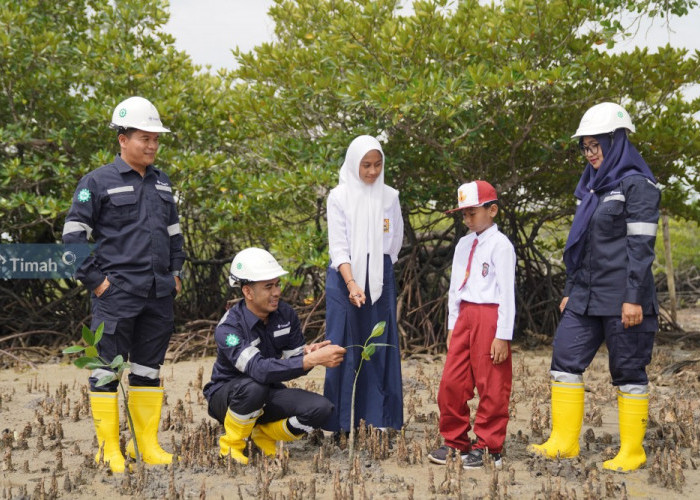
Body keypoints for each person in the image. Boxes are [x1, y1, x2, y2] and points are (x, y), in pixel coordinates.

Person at [528, 102, 660, 473]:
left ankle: (632, 452)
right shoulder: (591, 187)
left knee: (628, 372)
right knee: (564, 360)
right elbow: (581, 243)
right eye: (585, 147)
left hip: (624, 300)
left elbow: (641, 249)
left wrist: (634, 299)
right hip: (585, 297)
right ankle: (564, 442)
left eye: (596, 145)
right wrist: (572, 288)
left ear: (616, 141)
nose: (591, 154)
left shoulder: (639, 186)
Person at [62, 97, 184, 472]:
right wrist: (98, 284)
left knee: (148, 370)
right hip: (115, 296)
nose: (151, 145)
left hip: (158, 294)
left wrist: (176, 274)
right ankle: (108, 449)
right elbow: (72, 237)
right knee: (105, 370)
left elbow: (175, 234)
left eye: (155, 139)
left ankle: (147, 445)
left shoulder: (163, 183)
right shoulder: (96, 182)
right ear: (122, 139)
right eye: (144, 138)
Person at [203, 248, 346, 464]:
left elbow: (292, 361)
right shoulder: (228, 329)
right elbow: (258, 370)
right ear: (248, 292)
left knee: (322, 409)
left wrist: (307, 354)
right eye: (268, 286)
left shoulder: (286, 314)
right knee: (254, 386)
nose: (277, 292)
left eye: (277, 284)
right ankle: (231, 446)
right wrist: (311, 360)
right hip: (228, 397)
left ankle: (264, 435)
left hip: (267, 391)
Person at [428, 180, 516, 469]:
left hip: (490, 316)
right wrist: (453, 323)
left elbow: (506, 293)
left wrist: (502, 335)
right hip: (465, 315)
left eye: (472, 212)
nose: (467, 219)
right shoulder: (464, 243)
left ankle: (490, 446)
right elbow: (455, 288)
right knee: (452, 382)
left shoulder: (501, 246)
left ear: (492, 210)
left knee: (492, 382)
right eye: (463, 214)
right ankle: (455, 441)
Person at [322, 135, 404, 434]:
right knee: (342, 345)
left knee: (380, 345)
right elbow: (339, 247)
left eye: (378, 165)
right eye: (366, 165)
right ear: (354, 164)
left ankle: (379, 420)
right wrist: (354, 281)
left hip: (379, 277)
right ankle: (338, 423)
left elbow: (394, 243)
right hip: (345, 277)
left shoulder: (390, 197)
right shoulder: (339, 196)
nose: (372, 172)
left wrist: (376, 273)